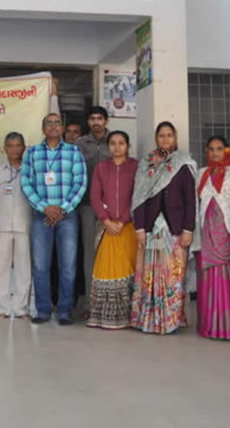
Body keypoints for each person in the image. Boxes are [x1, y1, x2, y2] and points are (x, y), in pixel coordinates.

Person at [131, 121, 196, 335]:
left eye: (169, 135)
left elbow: (190, 199)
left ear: (175, 137)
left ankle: (171, 320)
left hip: (174, 229)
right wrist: (139, 228)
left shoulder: (183, 163)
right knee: (149, 275)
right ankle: (149, 319)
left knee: (173, 276)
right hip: (150, 228)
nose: (165, 139)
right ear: (156, 138)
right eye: (162, 136)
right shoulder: (147, 163)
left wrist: (188, 229)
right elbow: (139, 198)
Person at [22, 113, 87, 325]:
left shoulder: (73, 151)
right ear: (43, 128)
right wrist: (45, 208)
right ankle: (42, 310)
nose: (52, 126)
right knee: (41, 265)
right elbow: (26, 183)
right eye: (48, 123)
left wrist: (62, 209)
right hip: (41, 215)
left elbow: (80, 183)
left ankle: (64, 311)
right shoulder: (32, 153)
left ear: (62, 128)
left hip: (67, 216)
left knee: (68, 266)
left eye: (56, 123)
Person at [195, 136, 230, 340]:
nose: (215, 153)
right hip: (207, 233)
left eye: (219, 149)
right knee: (209, 279)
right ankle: (211, 325)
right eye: (211, 149)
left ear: (227, 150)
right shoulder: (201, 174)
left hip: (229, 233)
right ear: (207, 152)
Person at [86, 131, 139, 330]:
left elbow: (138, 196)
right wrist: (106, 221)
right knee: (106, 269)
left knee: (128, 269)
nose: (117, 147)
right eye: (114, 143)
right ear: (109, 147)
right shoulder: (101, 168)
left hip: (128, 227)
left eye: (121, 143)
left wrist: (123, 219)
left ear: (128, 145)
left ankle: (127, 316)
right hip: (106, 227)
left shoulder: (136, 167)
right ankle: (103, 316)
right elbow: (95, 196)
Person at [0, 132, 32, 319]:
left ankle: (21, 308)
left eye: (17, 145)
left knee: (23, 269)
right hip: (1, 227)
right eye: (10, 145)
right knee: (0, 268)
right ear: (4, 149)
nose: (14, 149)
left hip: (25, 227)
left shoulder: (30, 171)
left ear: (24, 147)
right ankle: (1, 308)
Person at [75, 106, 112, 315]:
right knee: (89, 255)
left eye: (100, 118)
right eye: (92, 118)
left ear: (106, 121)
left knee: (109, 254)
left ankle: (110, 302)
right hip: (87, 206)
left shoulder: (114, 142)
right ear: (88, 122)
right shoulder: (80, 144)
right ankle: (91, 303)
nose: (96, 122)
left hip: (112, 209)